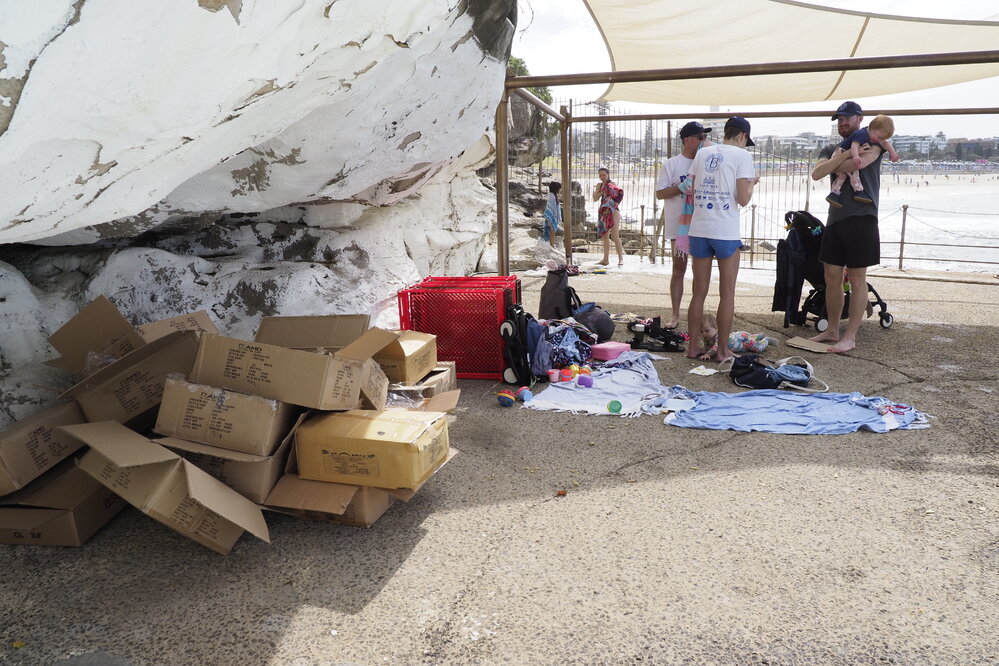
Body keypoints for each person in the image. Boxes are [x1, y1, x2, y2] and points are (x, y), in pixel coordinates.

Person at [810, 101, 887, 354]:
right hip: (835, 219)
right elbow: (817, 173)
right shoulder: (831, 147)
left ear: (860, 119)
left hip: (862, 217)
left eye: (847, 118)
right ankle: (832, 329)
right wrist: (844, 155)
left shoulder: (874, 142)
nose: (842, 122)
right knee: (831, 278)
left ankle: (850, 336)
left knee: (856, 278)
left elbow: (857, 165)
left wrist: (836, 163)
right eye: (839, 119)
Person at [684, 116, 758, 363]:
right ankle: (723, 350)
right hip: (725, 231)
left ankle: (692, 347)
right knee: (727, 293)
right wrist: (752, 184)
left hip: (699, 228)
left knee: (698, 292)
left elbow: (692, 188)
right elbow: (743, 198)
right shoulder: (742, 156)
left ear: (726, 132)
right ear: (743, 136)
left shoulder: (703, 153)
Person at [655, 121, 712, 329]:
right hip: (678, 227)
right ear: (688, 140)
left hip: (701, 224)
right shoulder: (672, 164)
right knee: (679, 269)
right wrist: (680, 187)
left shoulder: (707, 162)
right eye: (700, 137)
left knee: (700, 272)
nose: (703, 141)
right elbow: (660, 193)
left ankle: (695, 313)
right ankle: (675, 314)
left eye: (704, 137)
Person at [827, 114, 899, 208]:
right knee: (853, 173)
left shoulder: (874, 135)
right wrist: (856, 156)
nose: (878, 140)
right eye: (879, 137)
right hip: (841, 153)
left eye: (881, 138)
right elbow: (854, 145)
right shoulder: (862, 134)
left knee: (842, 176)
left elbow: (884, 143)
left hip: (847, 154)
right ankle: (859, 191)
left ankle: (834, 194)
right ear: (872, 127)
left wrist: (892, 152)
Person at [698, 313, 779, 361]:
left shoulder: (719, 336)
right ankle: (758, 336)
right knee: (751, 337)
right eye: (701, 332)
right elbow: (708, 347)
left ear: (716, 327)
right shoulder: (707, 337)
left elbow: (716, 347)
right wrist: (704, 350)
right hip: (739, 336)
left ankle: (766, 340)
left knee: (757, 347)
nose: (704, 334)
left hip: (742, 341)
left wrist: (708, 354)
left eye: (707, 331)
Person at [592, 167, 625, 267]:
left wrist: (607, 188)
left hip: (613, 211)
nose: (602, 177)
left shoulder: (612, 183)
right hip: (603, 212)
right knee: (604, 235)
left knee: (615, 235)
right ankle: (605, 259)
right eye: (600, 175)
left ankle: (621, 259)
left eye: (604, 175)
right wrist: (602, 190)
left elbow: (616, 195)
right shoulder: (599, 185)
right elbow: (595, 198)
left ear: (608, 174)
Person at [543, 181, 562, 249]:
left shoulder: (553, 195)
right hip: (551, 216)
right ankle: (551, 245)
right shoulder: (552, 196)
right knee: (552, 232)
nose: (560, 190)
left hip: (552, 216)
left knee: (553, 231)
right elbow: (551, 207)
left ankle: (552, 244)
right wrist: (552, 217)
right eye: (559, 188)